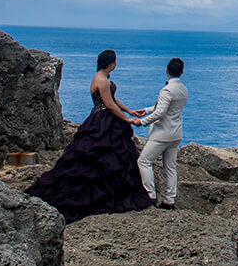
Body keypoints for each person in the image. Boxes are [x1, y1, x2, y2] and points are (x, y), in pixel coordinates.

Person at [25, 49, 153, 222]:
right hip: (104, 120)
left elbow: (113, 100)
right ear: (111, 64)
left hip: (98, 118)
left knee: (97, 155)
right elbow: (109, 105)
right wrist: (128, 119)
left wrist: (128, 109)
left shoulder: (99, 78)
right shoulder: (103, 81)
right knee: (108, 156)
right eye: (115, 62)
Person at [135, 57, 189, 210]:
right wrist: (146, 110)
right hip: (176, 133)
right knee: (170, 167)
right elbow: (166, 106)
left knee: (144, 161)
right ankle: (169, 199)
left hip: (162, 134)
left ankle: (149, 194)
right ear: (182, 72)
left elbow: (161, 111)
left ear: (167, 71)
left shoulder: (166, 90)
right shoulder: (183, 89)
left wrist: (142, 121)